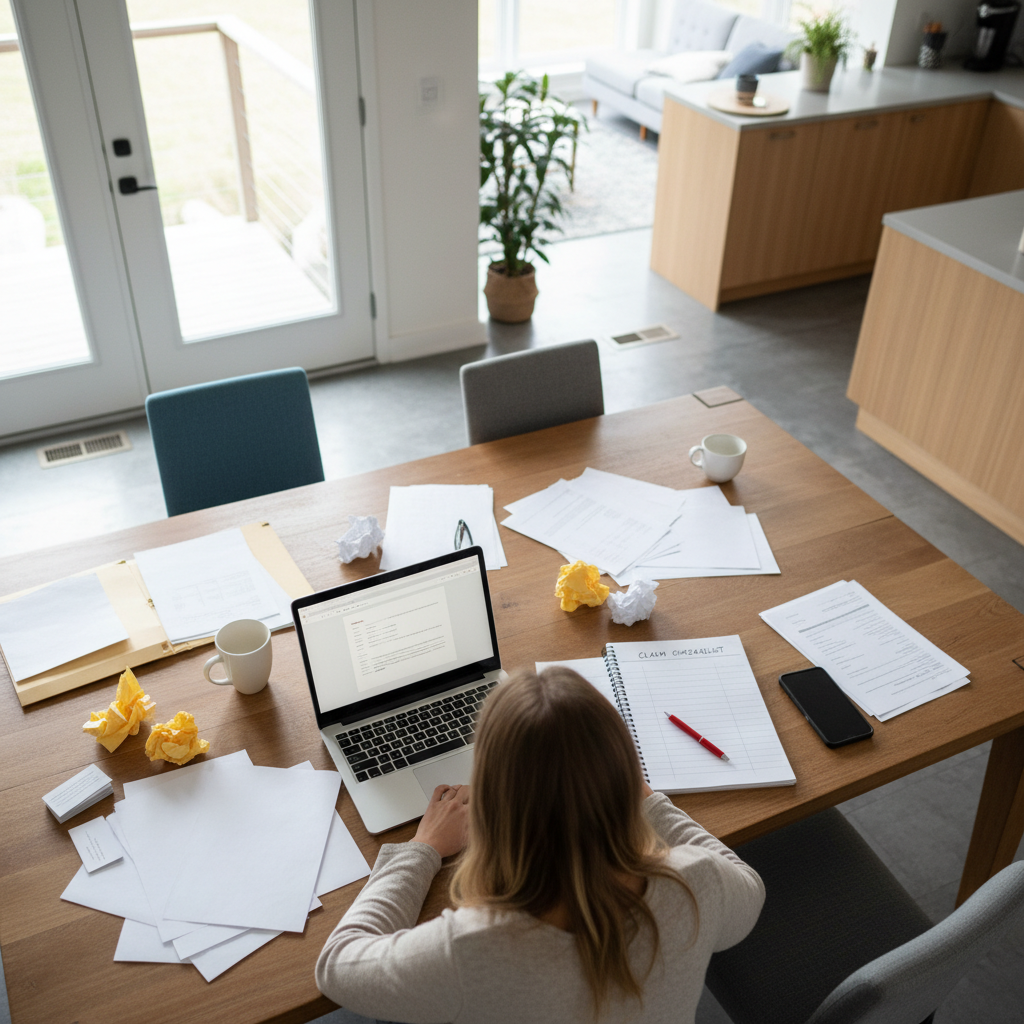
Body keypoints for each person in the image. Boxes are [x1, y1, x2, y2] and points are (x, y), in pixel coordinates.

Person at [316, 666, 765, 1023]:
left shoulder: (470, 951)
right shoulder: (695, 883)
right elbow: (748, 887)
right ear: (624, 775)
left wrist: (423, 849)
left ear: (492, 803)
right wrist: (650, 805)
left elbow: (336, 964)